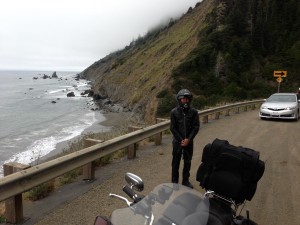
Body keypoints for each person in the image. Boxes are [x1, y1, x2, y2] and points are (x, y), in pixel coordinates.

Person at [170, 89, 200, 188]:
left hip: (189, 142)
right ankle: (174, 182)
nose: (185, 101)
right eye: (183, 99)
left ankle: (185, 181)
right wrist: (180, 140)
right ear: (179, 100)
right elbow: (172, 128)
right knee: (175, 162)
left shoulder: (194, 112)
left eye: (187, 99)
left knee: (187, 161)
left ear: (190, 100)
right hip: (177, 141)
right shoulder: (174, 112)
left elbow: (196, 127)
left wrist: (188, 139)